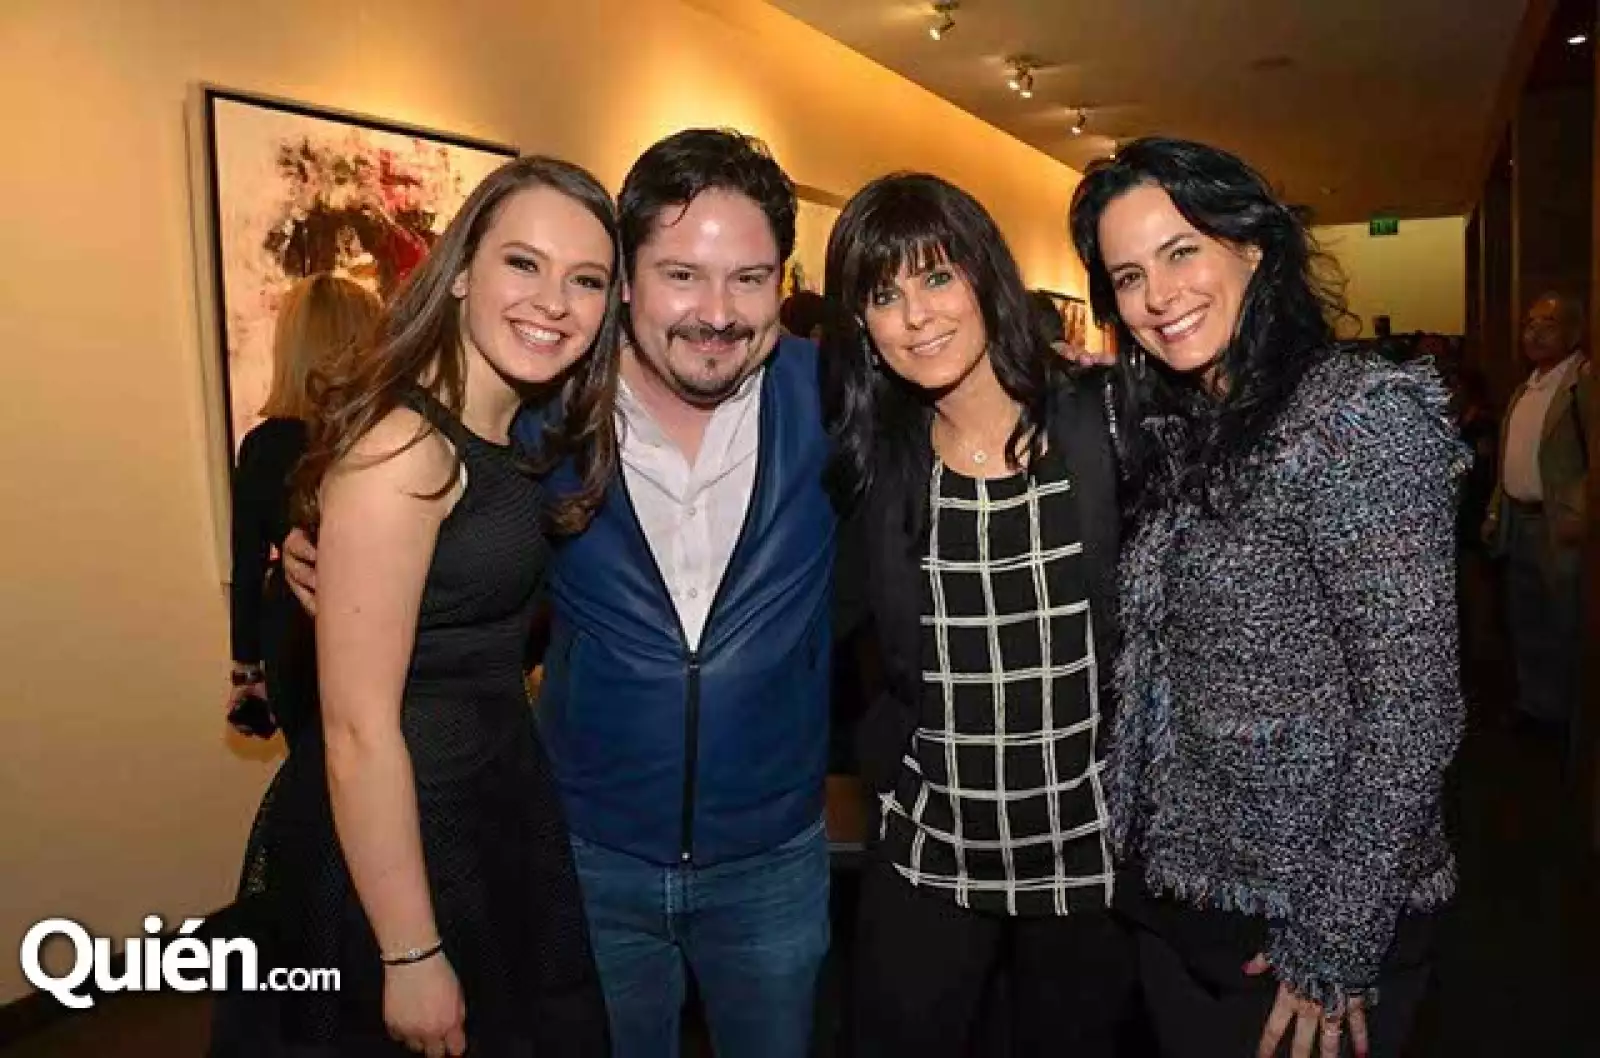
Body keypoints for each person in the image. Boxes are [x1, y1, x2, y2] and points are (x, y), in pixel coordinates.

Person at [286, 129, 838, 1058]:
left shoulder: (838, 401)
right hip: (583, 853)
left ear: (783, 282)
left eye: (750, 277)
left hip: (772, 859)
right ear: (631, 282)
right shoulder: (546, 410)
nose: (716, 311)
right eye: (680, 275)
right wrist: (318, 549)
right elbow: (420, 514)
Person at [212, 155, 619, 1057]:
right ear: (463, 269)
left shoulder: (507, 436)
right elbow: (356, 729)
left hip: (479, 817)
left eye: (585, 280)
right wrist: (410, 951)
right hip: (400, 850)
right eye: (524, 263)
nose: (554, 300)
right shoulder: (408, 451)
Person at [1069, 137, 1466, 1058]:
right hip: (1181, 909)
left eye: (1181, 253)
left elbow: (1414, 708)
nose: (1157, 297)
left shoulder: (1356, 416)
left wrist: (1333, 942)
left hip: (1309, 928)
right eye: (1128, 276)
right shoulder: (1187, 423)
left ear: (1253, 247)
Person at [821, 173, 1132, 1058]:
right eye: (884, 295)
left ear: (982, 276)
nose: (916, 316)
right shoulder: (877, 463)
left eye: (935, 278)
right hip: (933, 847)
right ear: (865, 330)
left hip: (1089, 855)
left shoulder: (1098, 425)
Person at [228, 273, 380, 746]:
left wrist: (246, 672)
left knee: (314, 788)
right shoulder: (384, 437)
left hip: (292, 638)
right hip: (376, 633)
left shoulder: (264, 446)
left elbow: (248, 566)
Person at [1481, 292, 1591, 738]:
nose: (1534, 331)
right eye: (1529, 322)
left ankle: (1571, 718)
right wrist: (1494, 510)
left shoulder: (1583, 383)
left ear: (1574, 331)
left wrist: (1582, 514)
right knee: (1526, 621)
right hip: (1519, 521)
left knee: (1565, 624)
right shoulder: (1526, 386)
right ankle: (1536, 706)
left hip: (1560, 526)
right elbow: (1511, 457)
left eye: (1547, 322)